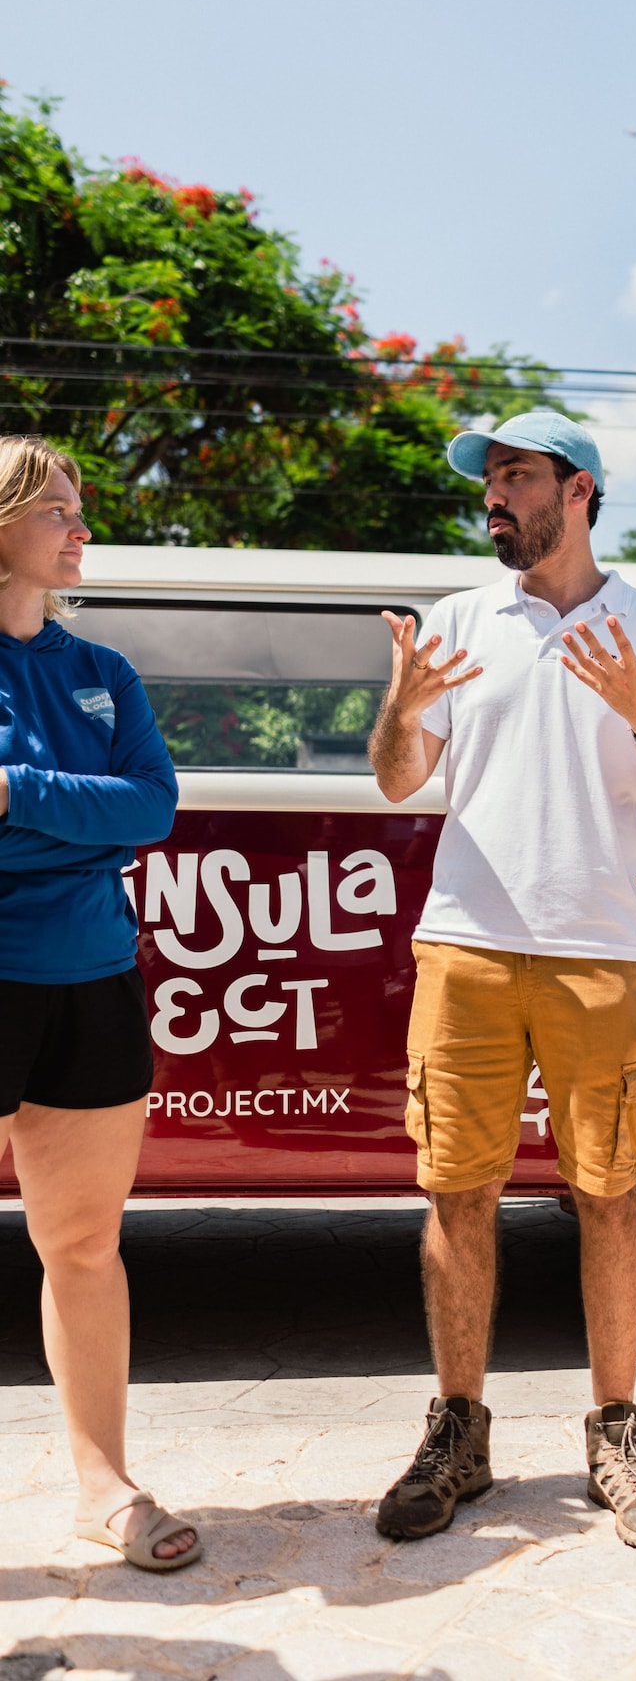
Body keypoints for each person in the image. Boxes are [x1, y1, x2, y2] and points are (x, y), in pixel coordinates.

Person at [367, 409, 636, 1549]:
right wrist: (402, 705)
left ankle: (619, 1435)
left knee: (608, 1192)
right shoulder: (458, 622)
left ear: (580, 491)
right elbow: (397, 780)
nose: (494, 496)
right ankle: (457, 1433)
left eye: (516, 476)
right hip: (463, 944)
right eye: (490, 480)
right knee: (456, 1191)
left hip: (597, 950)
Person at [0, 435, 197, 1572]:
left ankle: (102, 1486)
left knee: (81, 1245)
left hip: (93, 977)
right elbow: (113, 810)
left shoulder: (103, 670)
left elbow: (152, 808)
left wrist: (17, 792)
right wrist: (88, 818)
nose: (82, 529)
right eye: (58, 511)